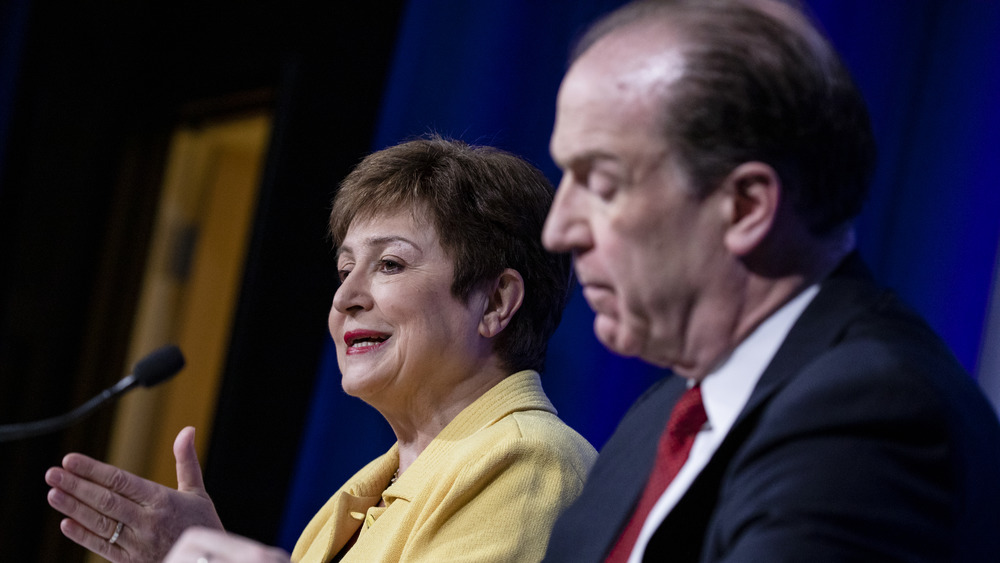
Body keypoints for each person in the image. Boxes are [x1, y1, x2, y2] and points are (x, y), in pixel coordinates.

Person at [538, 0, 1000, 561]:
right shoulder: (663, 415)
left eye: (602, 184)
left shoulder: (868, 415)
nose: (559, 231)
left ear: (745, 207)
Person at [46, 136, 597, 562]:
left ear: (497, 302)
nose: (346, 298)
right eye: (343, 269)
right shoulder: (366, 497)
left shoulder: (528, 461)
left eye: (389, 264)